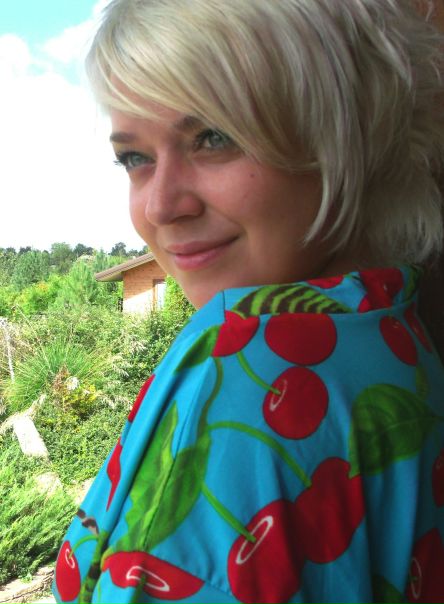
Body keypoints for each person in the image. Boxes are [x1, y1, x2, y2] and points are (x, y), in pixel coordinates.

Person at [53, 1, 444, 603]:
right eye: (135, 158)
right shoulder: (388, 323)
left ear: (347, 128)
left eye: (214, 137)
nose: (161, 206)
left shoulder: (240, 378)